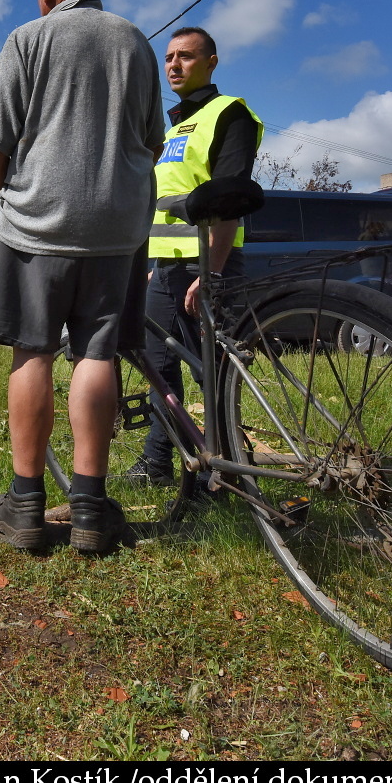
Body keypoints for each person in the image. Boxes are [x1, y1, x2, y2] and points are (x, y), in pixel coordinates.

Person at [0, 0, 161, 555]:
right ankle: (88, 506)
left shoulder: (27, 39)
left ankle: (26, 504)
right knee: (96, 355)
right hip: (116, 229)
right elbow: (150, 141)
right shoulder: (134, 40)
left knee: (33, 351)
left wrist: (7, 195)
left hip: (36, 225)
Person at [124, 26, 260, 487]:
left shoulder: (230, 114)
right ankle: (159, 461)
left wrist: (215, 272)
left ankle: (226, 472)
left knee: (213, 376)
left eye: (185, 56)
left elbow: (230, 198)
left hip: (206, 266)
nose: (174, 65)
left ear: (211, 63)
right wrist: (151, 268)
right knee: (158, 368)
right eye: (168, 58)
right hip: (165, 270)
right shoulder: (176, 125)